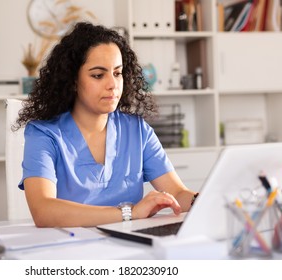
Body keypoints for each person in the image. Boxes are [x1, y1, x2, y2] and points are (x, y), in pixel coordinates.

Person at [14, 22, 198, 228]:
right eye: (98, 75)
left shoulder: (137, 130)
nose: (113, 84)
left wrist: (203, 200)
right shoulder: (44, 134)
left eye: (117, 73)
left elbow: (178, 193)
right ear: (72, 80)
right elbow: (43, 211)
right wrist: (130, 213)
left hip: (128, 248)